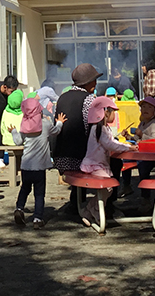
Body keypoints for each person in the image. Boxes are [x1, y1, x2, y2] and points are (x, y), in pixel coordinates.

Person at [53, 63, 102, 216]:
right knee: (111, 163)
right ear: (88, 82)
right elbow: (92, 128)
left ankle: (76, 202)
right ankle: (105, 204)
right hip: (79, 157)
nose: (96, 83)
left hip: (60, 156)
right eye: (94, 80)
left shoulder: (62, 97)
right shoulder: (89, 99)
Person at [11, 96, 65, 229]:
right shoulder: (45, 124)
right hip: (40, 167)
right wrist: (59, 122)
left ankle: (19, 208)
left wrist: (13, 131)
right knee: (39, 193)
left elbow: (18, 141)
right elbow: (56, 131)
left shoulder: (24, 125)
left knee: (25, 188)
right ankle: (37, 218)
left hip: (26, 165)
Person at [79, 96, 134, 227]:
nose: (114, 114)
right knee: (108, 187)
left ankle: (89, 210)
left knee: (108, 188)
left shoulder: (104, 128)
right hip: (94, 165)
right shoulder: (99, 129)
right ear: (105, 112)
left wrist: (126, 146)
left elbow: (112, 142)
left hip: (100, 165)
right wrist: (127, 147)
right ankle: (95, 210)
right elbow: (110, 144)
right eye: (113, 111)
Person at [122, 96, 155, 204]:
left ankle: (146, 198)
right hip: (141, 154)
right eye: (143, 107)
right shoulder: (142, 124)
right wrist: (128, 136)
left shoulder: (154, 125)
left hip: (152, 155)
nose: (145, 109)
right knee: (125, 160)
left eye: (149, 107)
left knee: (142, 166)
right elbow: (136, 139)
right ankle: (126, 186)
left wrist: (142, 135)